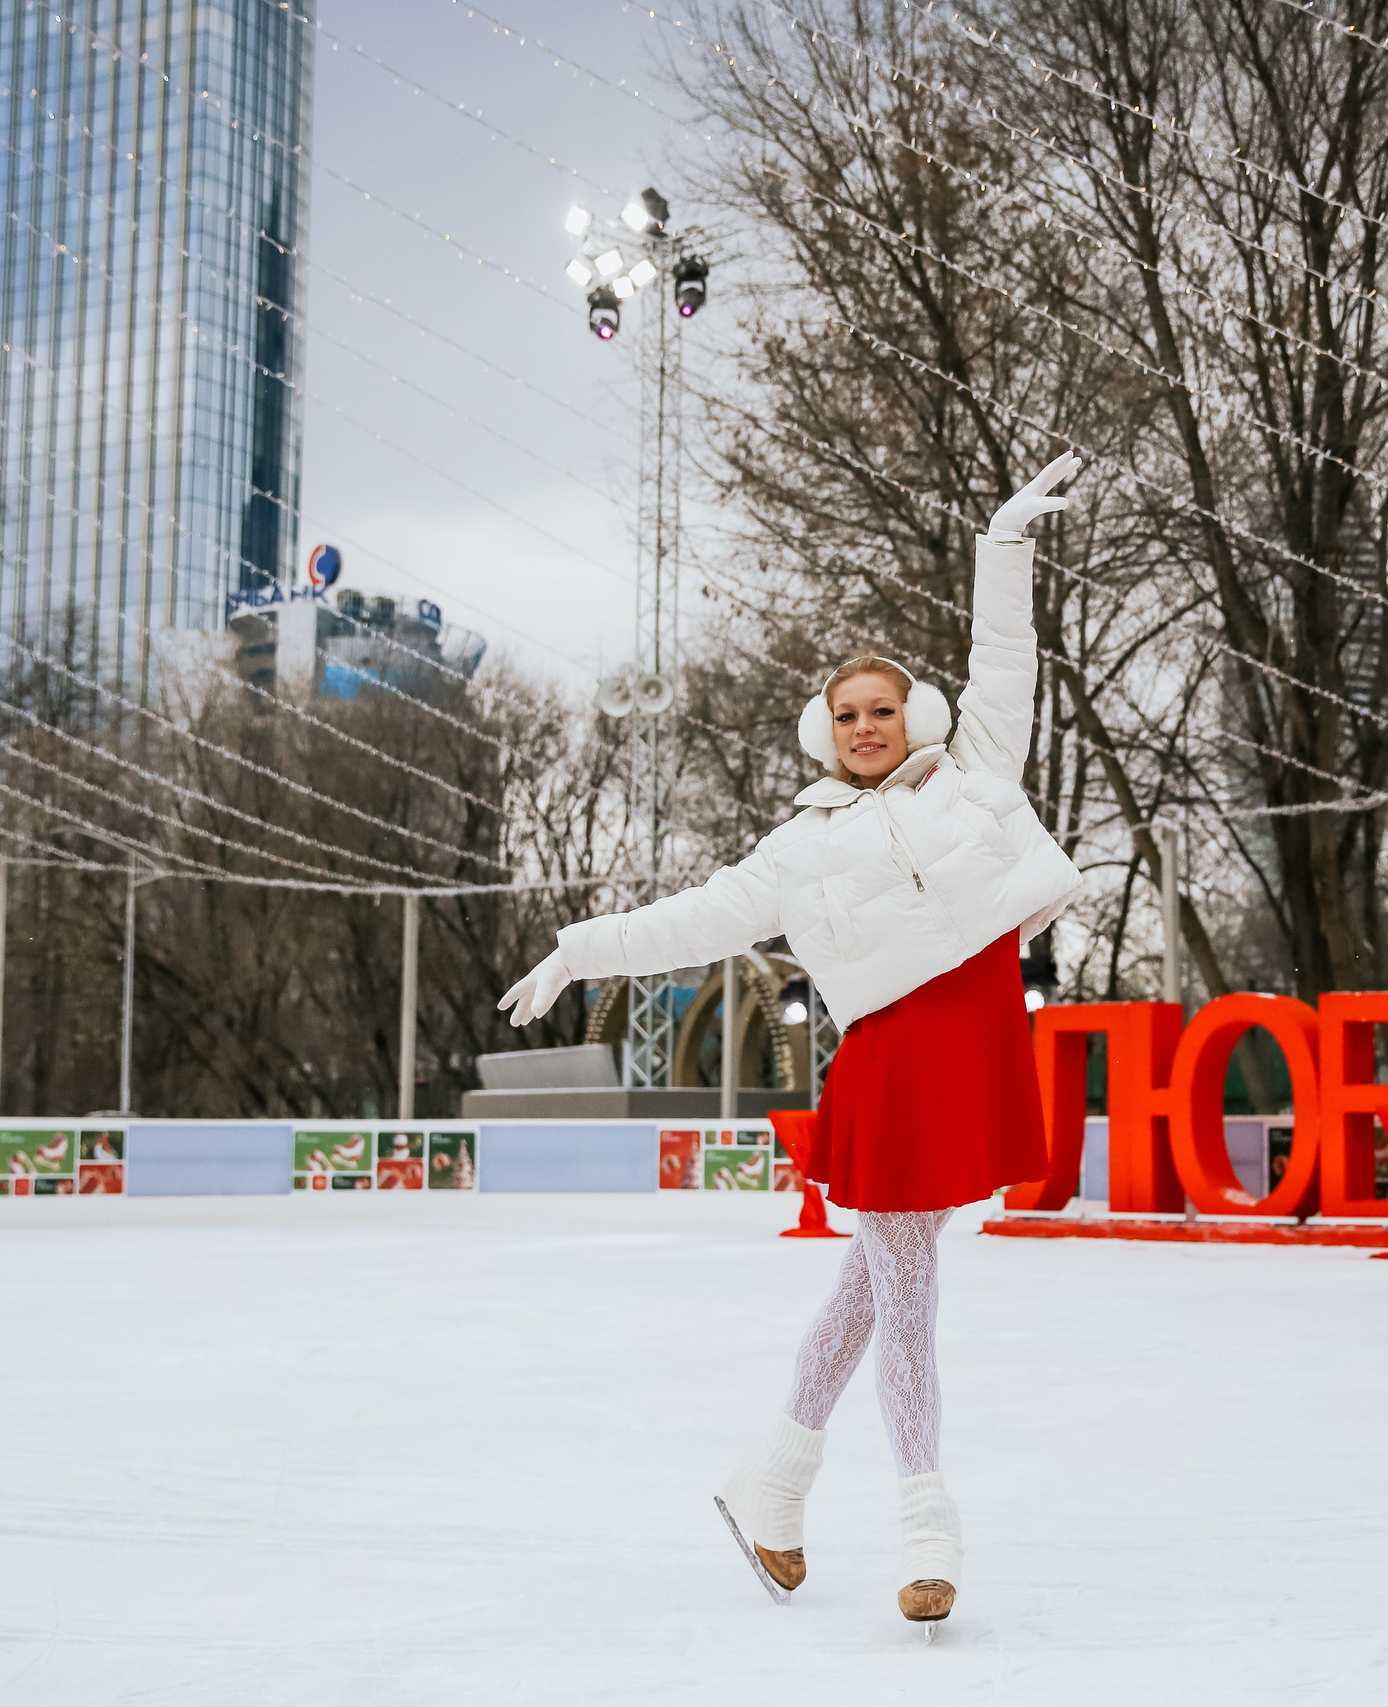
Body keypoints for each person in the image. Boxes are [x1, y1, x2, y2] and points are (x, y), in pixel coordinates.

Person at [499, 453, 1086, 1627]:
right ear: (826, 735)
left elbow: (1004, 662)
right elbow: (696, 917)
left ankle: (770, 1486)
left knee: (872, 1288)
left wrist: (1002, 546)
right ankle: (928, 1523)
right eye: (847, 717)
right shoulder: (799, 849)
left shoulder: (976, 773)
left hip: (972, 1050)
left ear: (914, 718)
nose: (867, 727)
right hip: (895, 1069)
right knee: (907, 1292)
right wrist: (580, 945)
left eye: (883, 710)